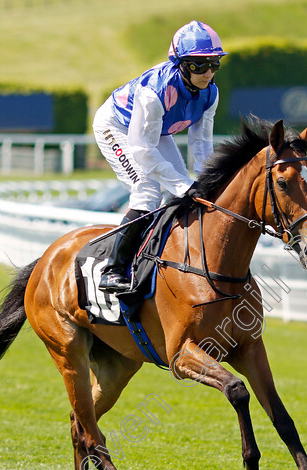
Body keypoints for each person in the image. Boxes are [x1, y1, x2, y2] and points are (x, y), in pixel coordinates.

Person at [92, 21, 226, 293]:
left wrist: (208, 183)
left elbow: (201, 145)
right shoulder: (155, 93)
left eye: (214, 64)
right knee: (147, 191)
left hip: (155, 130)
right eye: (198, 65)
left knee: (186, 189)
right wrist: (182, 185)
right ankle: (113, 269)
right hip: (116, 127)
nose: (208, 72)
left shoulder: (211, 93)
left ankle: (160, 257)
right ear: (180, 64)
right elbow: (142, 149)